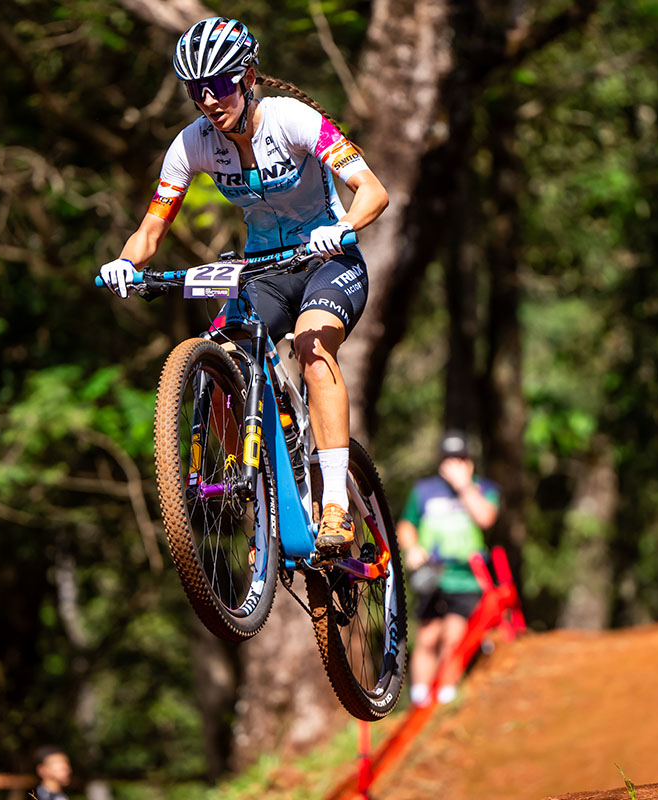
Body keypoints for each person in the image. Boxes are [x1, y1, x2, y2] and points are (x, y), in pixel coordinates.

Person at [98, 18, 389, 553]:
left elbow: (372, 189)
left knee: (312, 346)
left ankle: (335, 508)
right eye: (196, 90)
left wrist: (342, 226)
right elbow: (152, 227)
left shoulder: (292, 119)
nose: (210, 99)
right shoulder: (192, 145)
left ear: (249, 76)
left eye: (223, 84)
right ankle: (255, 490)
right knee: (225, 354)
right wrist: (124, 262)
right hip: (262, 271)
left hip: (327, 260)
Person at [397, 431, 500, 706]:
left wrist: (465, 487)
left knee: (454, 635)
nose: (454, 464)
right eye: (449, 459)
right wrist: (412, 548)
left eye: (460, 458)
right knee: (428, 636)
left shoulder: (484, 489)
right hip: (432, 576)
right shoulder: (424, 491)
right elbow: (406, 525)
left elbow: (486, 517)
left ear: (470, 461)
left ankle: (446, 691)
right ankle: (420, 698)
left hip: (466, 578)